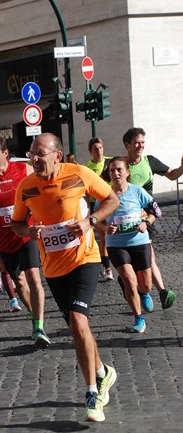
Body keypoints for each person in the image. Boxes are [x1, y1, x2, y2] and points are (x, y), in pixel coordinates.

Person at [11, 133, 119, 422]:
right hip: (54, 267)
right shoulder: (27, 187)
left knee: (78, 320)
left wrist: (90, 221)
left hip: (85, 258)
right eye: (31, 153)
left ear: (57, 155)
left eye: (40, 153)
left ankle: (91, 391)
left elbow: (111, 199)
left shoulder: (78, 174)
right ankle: (102, 372)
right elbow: (17, 223)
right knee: (76, 327)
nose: (34, 159)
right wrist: (27, 232)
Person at [0, 135, 50, 347]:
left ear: (6, 153)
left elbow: (43, 189)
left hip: (26, 233)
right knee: (20, 283)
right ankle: (35, 317)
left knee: (33, 277)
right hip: (3, 239)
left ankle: (39, 326)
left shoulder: (23, 170)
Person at [96, 157, 160, 334]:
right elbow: (95, 220)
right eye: (112, 171)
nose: (116, 173)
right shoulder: (104, 195)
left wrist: (146, 222)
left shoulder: (137, 191)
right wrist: (105, 227)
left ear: (127, 172)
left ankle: (144, 292)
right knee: (128, 279)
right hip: (117, 245)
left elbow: (156, 211)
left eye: (119, 170)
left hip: (139, 242)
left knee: (145, 284)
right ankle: (138, 317)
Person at [122, 127, 180, 309]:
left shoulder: (150, 161)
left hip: (147, 218)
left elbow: (172, 175)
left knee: (149, 256)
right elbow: (100, 186)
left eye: (143, 142)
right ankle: (141, 289)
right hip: (125, 219)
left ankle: (159, 292)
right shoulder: (120, 166)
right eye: (137, 142)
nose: (140, 146)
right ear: (127, 144)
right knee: (135, 261)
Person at [84, 137, 114, 281]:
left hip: (112, 202)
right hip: (96, 205)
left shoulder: (110, 162)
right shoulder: (87, 167)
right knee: (103, 236)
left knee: (114, 234)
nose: (99, 151)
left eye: (100, 148)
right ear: (91, 152)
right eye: (95, 149)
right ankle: (107, 268)